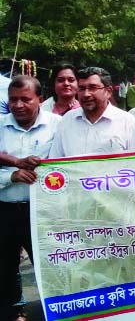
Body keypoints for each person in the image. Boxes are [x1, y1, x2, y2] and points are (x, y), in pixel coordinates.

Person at [0, 76, 61, 321]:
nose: (18, 105)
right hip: (5, 209)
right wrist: (11, 176)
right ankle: (15, 311)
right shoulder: (0, 125)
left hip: (44, 210)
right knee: (5, 267)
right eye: (13, 99)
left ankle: (56, 309)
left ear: (40, 100)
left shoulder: (58, 124)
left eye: (26, 99)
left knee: (51, 263)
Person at [50, 67, 135, 157]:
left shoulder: (126, 121)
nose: (86, 94)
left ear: (108, 92)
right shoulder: (67, 121)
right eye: (81, 89)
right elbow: (55, 162)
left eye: (93, 88)